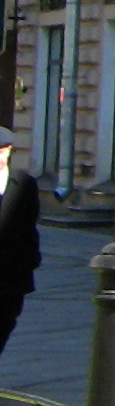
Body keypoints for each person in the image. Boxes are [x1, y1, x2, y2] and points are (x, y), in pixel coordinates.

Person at [0, 129, 37, 357]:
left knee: (4, 327)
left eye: (2, 150)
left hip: (10, 280)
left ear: (9, 150)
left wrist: (29, 261)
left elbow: (28, 227)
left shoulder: (24, 184)